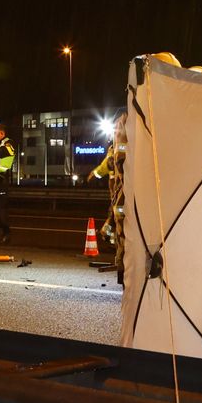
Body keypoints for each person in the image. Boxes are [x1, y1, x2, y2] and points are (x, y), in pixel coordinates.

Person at [88, 111, 128, 283]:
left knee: (120, 224)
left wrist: (94, 174)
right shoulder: (116, 148)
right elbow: (106, 166)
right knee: (117, 222)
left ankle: (122, 262)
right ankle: (119, 255)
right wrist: (95, 174)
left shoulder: (118, 147)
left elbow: (108, 164)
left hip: (121, 194)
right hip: (118, 194)